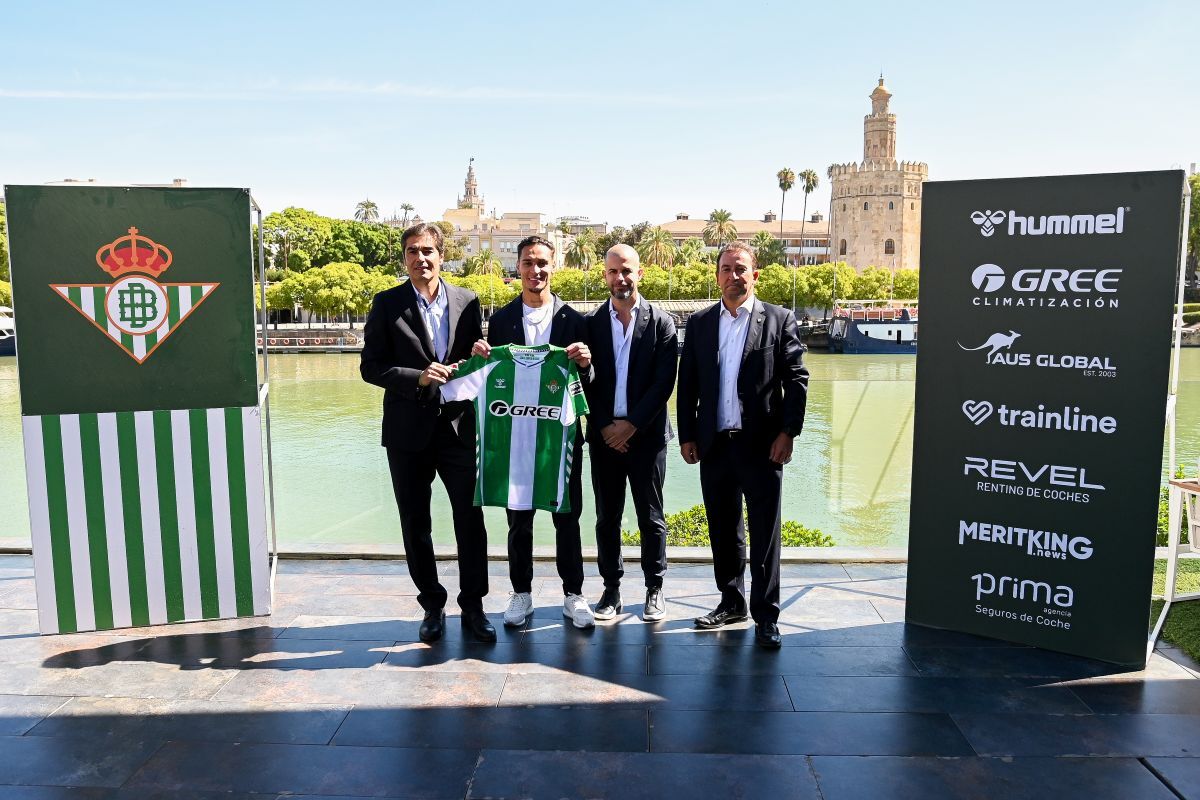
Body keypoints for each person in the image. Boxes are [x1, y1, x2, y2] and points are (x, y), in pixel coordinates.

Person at [360, 222, 495, 644]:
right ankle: (432, 604)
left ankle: (473, 605)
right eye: (412, 252)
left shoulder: (468, 301)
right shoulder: (386, 304)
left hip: (458, 429)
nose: (421, 258)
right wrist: (417, 377)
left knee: (470, 521)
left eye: (428, 251)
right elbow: (371, 367)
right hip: (407, 432)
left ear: (441, 255)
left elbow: (476, 363)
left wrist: (480, 355)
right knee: (415, 523)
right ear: (404, 258)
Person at [676, 240, 809, 648]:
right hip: (715, 444)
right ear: (717, 276)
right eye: (726, 269)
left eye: (741, 269)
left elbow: (796, 379)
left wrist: (789, 432)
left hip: (762, 445)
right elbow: (689, 384)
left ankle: (766, 615)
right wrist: (686, 435)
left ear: (755, 274)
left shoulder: (778, 319)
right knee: (723, 528)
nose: (734, 276)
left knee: (765, 532)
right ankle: (731, 602)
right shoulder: (699, 323)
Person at [471, 235, 596, 629]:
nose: (535, 270)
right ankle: (520, 594)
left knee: (567, 516)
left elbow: (590, 383)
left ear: (553, 266)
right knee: (518, 520)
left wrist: (587, 365)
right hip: (515, 439)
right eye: (528, 262)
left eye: (542, 262)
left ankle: (573, 595)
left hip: (559, 439)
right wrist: (479, 360)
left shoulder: (575, 321)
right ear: (518, 268)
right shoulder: (502, 320)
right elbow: (489, 378)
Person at [583, 244, 678, 621]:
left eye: (627, 271)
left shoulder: (662, 322)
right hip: (604, 437)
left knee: (651, 516)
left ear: (640, 273)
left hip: (647, 437)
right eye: (613, 272)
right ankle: (611, 589)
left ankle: (655, 588)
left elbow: (663, 382)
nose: (620, 278)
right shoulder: (589, 324)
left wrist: (631, 425)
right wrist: (607, 425)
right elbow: (583, 381)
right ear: (604, 275)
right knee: (607, 517)